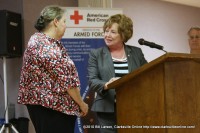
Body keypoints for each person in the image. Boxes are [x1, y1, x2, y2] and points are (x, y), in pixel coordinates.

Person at [17, 5, 88, 133]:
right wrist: (82, 104)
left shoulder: (38, 41)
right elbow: (68, 83)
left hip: (47, 108)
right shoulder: (47, 47)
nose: (66, 26)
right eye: (64, 21)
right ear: (55, 21)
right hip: (54, 110)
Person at [87, 14, 148, 133]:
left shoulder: (136, 52)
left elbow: (148, 74)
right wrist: (106, 85)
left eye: (113, 32)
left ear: (123, 34)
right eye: (106, 31)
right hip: (107, 109)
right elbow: (92, 80)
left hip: (134, 107)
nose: (107, 35)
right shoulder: (96, 54)